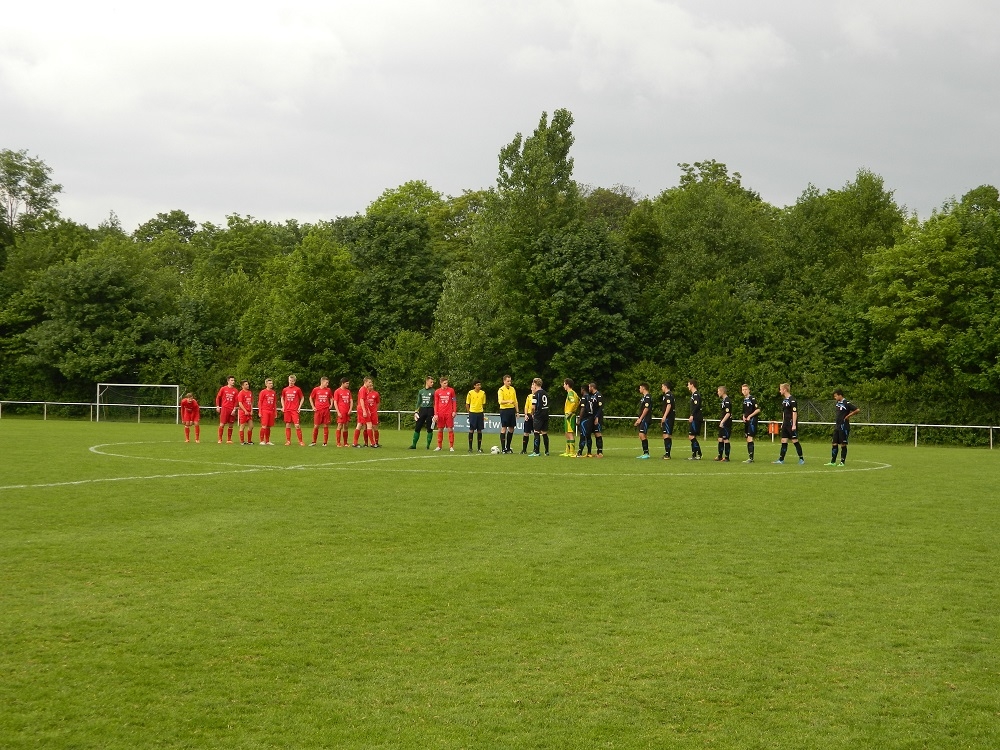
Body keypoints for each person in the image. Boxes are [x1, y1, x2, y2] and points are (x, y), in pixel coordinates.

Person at [773, 382, 805, 464]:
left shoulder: (792, 400)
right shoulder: (784, 401)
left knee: (794, 440)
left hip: (791, 423)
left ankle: (801, 459)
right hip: (785, 424)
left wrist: (794, 424)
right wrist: (783, 423)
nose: (780, 391)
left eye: (780, 389)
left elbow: (794, 413)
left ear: (784, 390)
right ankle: (781, 459)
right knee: (783, 440)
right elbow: (784, 413)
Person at [827, 390, 860, 466]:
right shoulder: (838, 403)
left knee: (843, 444)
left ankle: (842, 462)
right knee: (834, 443)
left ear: (840, 395)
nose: (835, 398)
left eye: (835, 396)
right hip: (837, 426)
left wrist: (848, 416)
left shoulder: (846, 403)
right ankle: (833, 462)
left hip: (844, 426)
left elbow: (857, 410)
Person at [410, 377, 436, 449]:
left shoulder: (434, 391)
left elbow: (436, 402)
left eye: (433, 382)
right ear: (427, 382)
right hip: (422, 410)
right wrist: (416, 411)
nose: (432, 383)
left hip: (430, 410)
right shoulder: (421, 391)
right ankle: (414, 445)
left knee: (429, 428)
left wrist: (436, 412)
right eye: (431, 382)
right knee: (417, 427)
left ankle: (428, 446)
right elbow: (418, 402)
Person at [527, 378, 550, 457]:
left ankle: (536, 451)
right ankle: (547, 451)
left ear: (535, 384)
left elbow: (533, 407)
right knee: (544, 433)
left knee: (536, 432)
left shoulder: (535, 394)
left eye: (533, 384)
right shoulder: (545, 393)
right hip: (545, 415)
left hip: (539, 415)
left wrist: (532, 414)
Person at [434, 376, 457, 452]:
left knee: (450, 429)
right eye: (444, 383)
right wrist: (436, 414)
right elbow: (436, 403)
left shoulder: (451, 390)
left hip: (449, 413)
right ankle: (439, 446)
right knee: (440, 429)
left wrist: (454, 411)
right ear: (441, 383)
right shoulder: (437, 392)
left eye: (447, 383)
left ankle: (451, 446)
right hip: (440, 413)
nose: (446, 384)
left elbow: (454, 401)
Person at [309, 376, 334, 446]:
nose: (327, 384)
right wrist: (313, 406)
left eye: (328, 383)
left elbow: (331, 398)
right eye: (326, 382)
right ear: (322, 382)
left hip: (326, 410)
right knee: (316, 426)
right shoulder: (316, 389)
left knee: (325, 425)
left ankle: (325, 442)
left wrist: (331, 404)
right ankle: (314, 442)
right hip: (318, 410)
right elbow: (310, 398)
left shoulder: (328, 390)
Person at [281, 374, 305, 446]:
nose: (291, 382)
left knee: (297, 425)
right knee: (288, 425)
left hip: (294, 410)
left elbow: (302, 398)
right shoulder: (285, 389)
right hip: (287, 410)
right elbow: (282, 398)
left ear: (294, 381)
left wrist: (299, 407)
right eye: (290, 380)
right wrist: (283, 406)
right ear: (288, 380)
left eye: (292, 381)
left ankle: (300, 441)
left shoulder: (297, 389)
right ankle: (288, 441)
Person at [497, 375, 518, 454]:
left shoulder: (512, 389)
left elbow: (515, 401)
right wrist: (508, 401)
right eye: (508, 381)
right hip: (504, 410)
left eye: (510, 381)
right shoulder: (501, 390)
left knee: (511, 428)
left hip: (511, 410)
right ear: (504, 381)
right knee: (504, 428)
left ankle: (508, 447)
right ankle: (503, 448)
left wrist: (517, 412)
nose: (509, 382)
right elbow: (500, 401)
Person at [215, 376, 239, 444]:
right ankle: (220, 439)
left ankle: (229, 439)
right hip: (225, 408)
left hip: (232, 409)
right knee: (222, 424)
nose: (233, 381)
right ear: (228, 381)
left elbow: (236, 401)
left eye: (234, 380)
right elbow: (218, 397)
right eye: (232, 380)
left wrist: (234, 409)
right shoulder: (223, 388)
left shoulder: (235, 390)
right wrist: (217, 406)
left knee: (231, 425)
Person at [741, 384, 761, 463]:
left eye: (746, 389)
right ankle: (750, 457)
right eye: (743, 390)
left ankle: (751, 458)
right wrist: (743, 416)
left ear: (749, 390)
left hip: (752, 421)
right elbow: (744, 411)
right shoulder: (744, 400)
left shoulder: (752, 399)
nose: (744, 391)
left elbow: (758, 410)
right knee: (747, 438)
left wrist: (750, 416)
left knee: (750, 438)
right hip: (747, 421)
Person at [466, 380, 487, 453]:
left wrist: (481, 411)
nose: (479, 386)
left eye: (480, 385)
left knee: (479, 430)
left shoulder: (483, 393)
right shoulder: (470, 393)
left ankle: (479, 448)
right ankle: (470, 448)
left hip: (480, 413)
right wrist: (469, 412)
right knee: (471, 430)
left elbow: (483, 404)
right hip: (473, 413)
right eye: (477, 385)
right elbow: (467, 404)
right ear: (474, 386)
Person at [714, 385, 732, 462]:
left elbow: (728, 413)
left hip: (726, 423)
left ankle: (727, 457)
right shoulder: (724, 400)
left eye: (718, 391)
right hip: (723, 422)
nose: (717, 393)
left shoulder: (727, 400)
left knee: (725, 439)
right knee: (720, 439)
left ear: (722, 391)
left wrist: (722, 422)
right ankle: (720, 456)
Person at [561, 379, 579, 456]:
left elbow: (573, 402)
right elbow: (578, 401)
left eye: (564, 384)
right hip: (569, 415)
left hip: (570, 416)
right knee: (567, 433)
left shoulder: (571, 393)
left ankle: (572, 452)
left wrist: (570, 411)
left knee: (570, 433)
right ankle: (567, 451)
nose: (563, 386)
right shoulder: (573, 393)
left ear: (567, 385)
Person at [257, 378, 278, 445]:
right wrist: (260, 411)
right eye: (269, 383)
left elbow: (274, 403)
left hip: (271, 411)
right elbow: (260, 402)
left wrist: (275, 412)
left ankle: (267, 441)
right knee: (264, 425)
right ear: (266, 384)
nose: (271, 384)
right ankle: (261, 440)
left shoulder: (273, 392)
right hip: (264, 410)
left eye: (272, 383)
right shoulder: (263, 392)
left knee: (269, 426)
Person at [686, 379, 703, 460]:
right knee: (692, 436)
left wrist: (692, 415)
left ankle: (698, 453)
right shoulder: (693, 395)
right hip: (695, 417)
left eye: (688, 384)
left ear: (692, 385)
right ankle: (694, 454)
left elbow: (697, 406)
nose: (688, 386)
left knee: (691, 436)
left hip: (696, 418)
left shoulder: (696, 395)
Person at [333, 378, 353, 447]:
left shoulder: (348, 391)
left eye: (348, 383)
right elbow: (335, 402)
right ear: (342, 383)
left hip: (347, 412)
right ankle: (338, 443)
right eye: (347, 383)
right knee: (340, 426)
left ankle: (345, 443)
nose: (348, 385)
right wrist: (338, 412)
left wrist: (350, 409)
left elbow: (351, 401)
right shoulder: (337, 391)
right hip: (341, 411)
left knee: (346, 426)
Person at [635, 382, 652, 458]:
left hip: (645, 418)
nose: (639, 389)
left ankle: (646, 453)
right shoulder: (644, 397)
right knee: (641, 435)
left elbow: (646, 408)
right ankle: (645, 453)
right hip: (642, 418)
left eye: (640, 388)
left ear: (643, 388)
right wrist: (638, 419)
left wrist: (641, 418)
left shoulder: (648, 397)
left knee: (642, 434)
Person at [575, 383, 593, 457]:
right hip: (590, 418)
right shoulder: (590, 397)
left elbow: (583, 409)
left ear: (583, 389)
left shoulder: (584, 398)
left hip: (585, 419)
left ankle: (579, 452)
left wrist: (579, 419)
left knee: (583, 435)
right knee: (588, 435)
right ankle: (589, 452)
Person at [588, 382, 605, 458]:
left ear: (592, 387)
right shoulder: (592, 396)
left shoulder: (599, 395)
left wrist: (597, 417)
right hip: (592, 417)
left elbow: (600, 408)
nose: (589, 389)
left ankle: (600, 452)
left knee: (598, 433)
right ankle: (597, 452)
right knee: (594, 433)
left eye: (589, 387)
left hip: (597, 417)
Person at [363, 379, 381, 448]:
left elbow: (378, 403)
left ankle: (376, 442)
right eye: (370, 386)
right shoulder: (365, 393)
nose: (371, 387)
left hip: (373, 413)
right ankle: (366, 443)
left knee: (375, 427)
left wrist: (375, 409)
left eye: (372, 386)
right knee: (365, 427)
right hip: (367, 412)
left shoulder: (376, 393)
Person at [660, 381, 675, 460]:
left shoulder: (668, 395)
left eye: (662, 386)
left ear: (665, 387)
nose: (661, 388)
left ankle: (668, 454)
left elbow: (669, 405)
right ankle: (667, 453)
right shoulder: (668, 395)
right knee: (665, 435)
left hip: (668, 418)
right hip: (668, 417)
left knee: (667, 435)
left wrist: (664, 416)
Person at [353, 379, 370, 447]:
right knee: (368, 424)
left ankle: (355, 443)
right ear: (365, 382)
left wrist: (367, 409)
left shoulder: (365, 389)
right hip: (361, 409)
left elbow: (365, 401)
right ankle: (372, 443)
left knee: (360, 424)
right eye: (369, 382)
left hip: (362, 408)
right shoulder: (363, 389)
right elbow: (361, 400)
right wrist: (364, 410)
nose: (370, 383)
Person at [237, 380, 254, 445]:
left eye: (248, 384)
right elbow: (240, 403)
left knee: (251, 426)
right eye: (246, 384)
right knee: (242, 426)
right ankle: (242, 441)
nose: (248, 385)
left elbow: (251, 402)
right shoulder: (241, 393)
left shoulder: (250, 392)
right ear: (242, 386)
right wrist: (245, 410)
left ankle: (249, 441)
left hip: (249, 412)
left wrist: (251, 410)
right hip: (243, 412)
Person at [520, 387, 535, 454]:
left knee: (536, 433)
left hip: (535, 415)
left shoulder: (538, 396)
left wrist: (534, 414)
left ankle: (535, 449)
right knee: (526, 432)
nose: (532, 389)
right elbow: (526, 406)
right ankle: (524, 450)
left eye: (533, 387)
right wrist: (525, 414)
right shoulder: (529, 396)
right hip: (529, 415)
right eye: (532, 387)